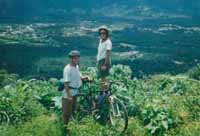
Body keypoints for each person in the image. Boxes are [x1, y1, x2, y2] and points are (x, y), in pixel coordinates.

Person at [62, 50, 90, 132]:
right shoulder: (67, 69)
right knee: (66, 113)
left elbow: (79, 75)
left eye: (78, 58)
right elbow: (66, 83)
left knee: (73, 110)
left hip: (75, 92)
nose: (78, 60)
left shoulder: (76, 67)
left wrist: (85, 77)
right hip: (69, 92)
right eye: (76, 58)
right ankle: (64, 130)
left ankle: (70, 128)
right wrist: (69, 95)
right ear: (71, 59)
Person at [96, 26, 112, 106]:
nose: (102, 34)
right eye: (101, 33)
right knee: (103, 78)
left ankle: (103, 94)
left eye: (104, 33)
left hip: (104, 61)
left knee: (103, 78)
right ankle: (104, 92)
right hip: (100, 61)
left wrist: (105, 65)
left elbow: (107, 54)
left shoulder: (108, 42)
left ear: (106, 34)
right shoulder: (101, 41)